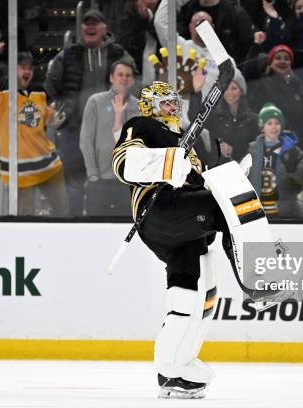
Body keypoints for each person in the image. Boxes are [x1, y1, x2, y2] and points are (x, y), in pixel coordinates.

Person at [112, 81, 270, 398]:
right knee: (229, 211)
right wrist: (167, 163)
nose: (173, 108)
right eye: (166, 103)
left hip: (184, 225)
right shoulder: (141, 125)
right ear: (150, 106)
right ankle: (256, 280)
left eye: (175, 103)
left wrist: (228, 176)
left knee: (197, 292)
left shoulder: (185, 141)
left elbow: (201, 181)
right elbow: (123, 163)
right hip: (161, 209)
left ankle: (174, 370)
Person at [44, 9, 134, 216]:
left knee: (108, 181)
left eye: (95, 23)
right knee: (74, 185)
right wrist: (55, 111)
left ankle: (105, 223)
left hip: (109, 131)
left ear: (104, 28)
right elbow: (49, 87)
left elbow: (133, 82)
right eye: (86, 23)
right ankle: (75, 225)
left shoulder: (119, 54)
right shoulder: (67, 55)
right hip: (74, 130)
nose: (90, 27)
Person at [0, 31, 68, 216]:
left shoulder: (38, 96)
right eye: (22, 67)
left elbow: (53, 120)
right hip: (20, 172)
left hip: (50, 167)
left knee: (63, 214)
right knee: (25, 219)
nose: (28, 71)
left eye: (30, 68)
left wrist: (60, 117)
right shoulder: (0, 99)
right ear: (12, 69)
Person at [80, 60, 139, 216]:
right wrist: (92, 174)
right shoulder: (96, 102)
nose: (124, 79)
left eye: (128, 75)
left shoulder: (140, 107)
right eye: (120, 75)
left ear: (133, 80)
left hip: (129, 183)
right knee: (96, 230)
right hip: (100, 181)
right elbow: (86, 140)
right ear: (111, 78)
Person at [247, 102, 303, 217]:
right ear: (262, 127)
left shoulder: (292, 150)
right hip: (257, 215)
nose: (274, 127)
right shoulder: (251, 150)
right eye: (269, 123)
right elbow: (240, 178)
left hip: (286, 214)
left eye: (277, 123)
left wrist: (293, 170)